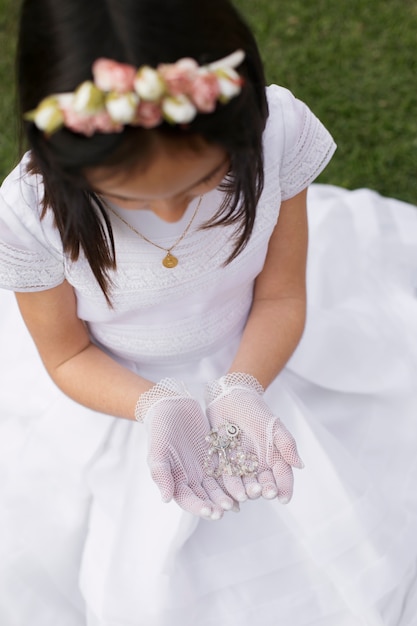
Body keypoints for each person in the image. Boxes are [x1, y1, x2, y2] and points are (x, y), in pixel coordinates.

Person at [0, 0, 417, 624]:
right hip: (116, 385)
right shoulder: (30, 213)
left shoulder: (276, 133)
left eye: (200, 184)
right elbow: (67, 353)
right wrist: (157, 403)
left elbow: (281, 294)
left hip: (259, 339)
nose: (170, 215)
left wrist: (244, 384)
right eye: (129, 199)